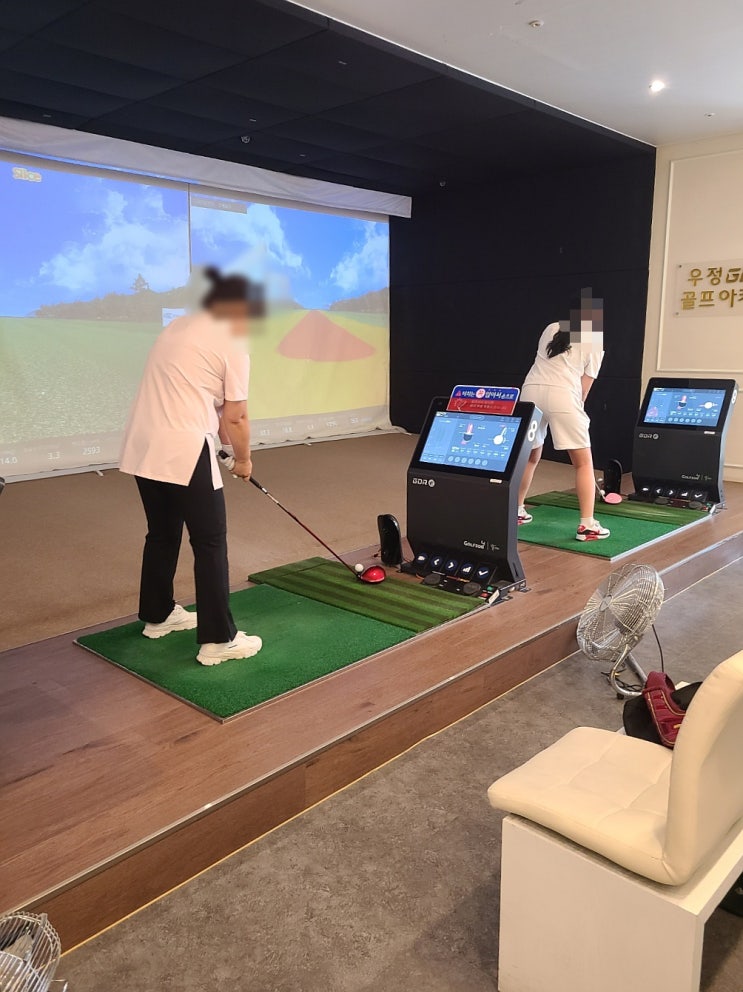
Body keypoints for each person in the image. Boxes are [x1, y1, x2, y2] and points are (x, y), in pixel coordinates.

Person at [120, 267, 262, 665]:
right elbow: (236, 416)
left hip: (143, 445)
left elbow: (216, 409)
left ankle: (158, 615)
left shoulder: (178, 327)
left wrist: (229, 451)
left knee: (162, 533)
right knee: (210, 540)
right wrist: (244, 460)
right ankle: (219, 640)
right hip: (182, 448)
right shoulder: (233, 342)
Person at [517, 291, 610, 542]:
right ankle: (588, 525)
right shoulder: (594, 341)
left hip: (531, 393)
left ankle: (516, 510)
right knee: (583, 463)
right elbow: (584, 388)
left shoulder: (551, 328)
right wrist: (577, 413)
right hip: (563, 396)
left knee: (529, 456)